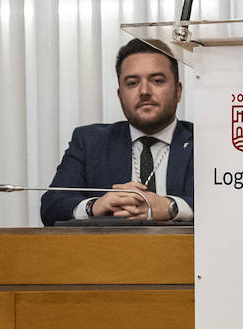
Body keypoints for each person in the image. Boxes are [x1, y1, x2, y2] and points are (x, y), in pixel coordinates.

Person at [40, 38, 194, 226]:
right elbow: (51, 207)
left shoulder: (204, 142)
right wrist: (95, 206)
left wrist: (172, 207)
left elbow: (230, 203)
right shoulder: (89, 142)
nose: (144, 91)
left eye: (157, 81)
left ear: (178, 91)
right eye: (132, 83)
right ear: (120, 95)